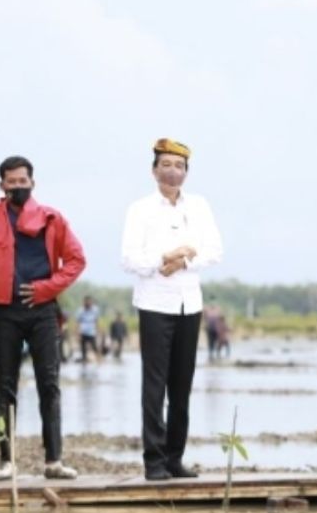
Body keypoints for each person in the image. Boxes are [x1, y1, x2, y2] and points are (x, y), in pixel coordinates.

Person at [0, 123, 86, 481]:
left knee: (49, 384)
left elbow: (77, 260)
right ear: (1, 185)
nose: (17, 186)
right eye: (11, 182)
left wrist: (48, 288)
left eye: (23, 180)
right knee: (4, 385)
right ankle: (6, 460)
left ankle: (54, 460)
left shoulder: (52, 218)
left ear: (33, 182)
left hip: (42, 312)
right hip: (4, 312)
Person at [121, 138, 223, 482]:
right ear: (154, 170)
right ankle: (154, 460)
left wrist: (181, 258)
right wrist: (162, 259)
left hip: (189, 303)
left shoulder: (200, 207)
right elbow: (130, 258)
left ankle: (175, 457)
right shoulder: (139, 210)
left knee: (182, 384)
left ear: (186, 172)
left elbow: (213, 250)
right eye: (166, 164)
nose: (172, 171)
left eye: (179, 166)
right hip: (153, 303)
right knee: (155, 384)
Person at [77, 296, 100, 364]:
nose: (88, 303)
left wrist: (98, 332)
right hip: (83, 332)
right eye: (86, 302)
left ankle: (99, 361)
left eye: (89, 302)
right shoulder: (80, 310)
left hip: (91, 332)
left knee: (95, 348)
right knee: (83, 350)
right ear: (84, 302)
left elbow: (96, 321)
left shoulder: (95, 310)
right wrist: (77, 334)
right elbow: (78, 322)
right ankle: (84, 362)